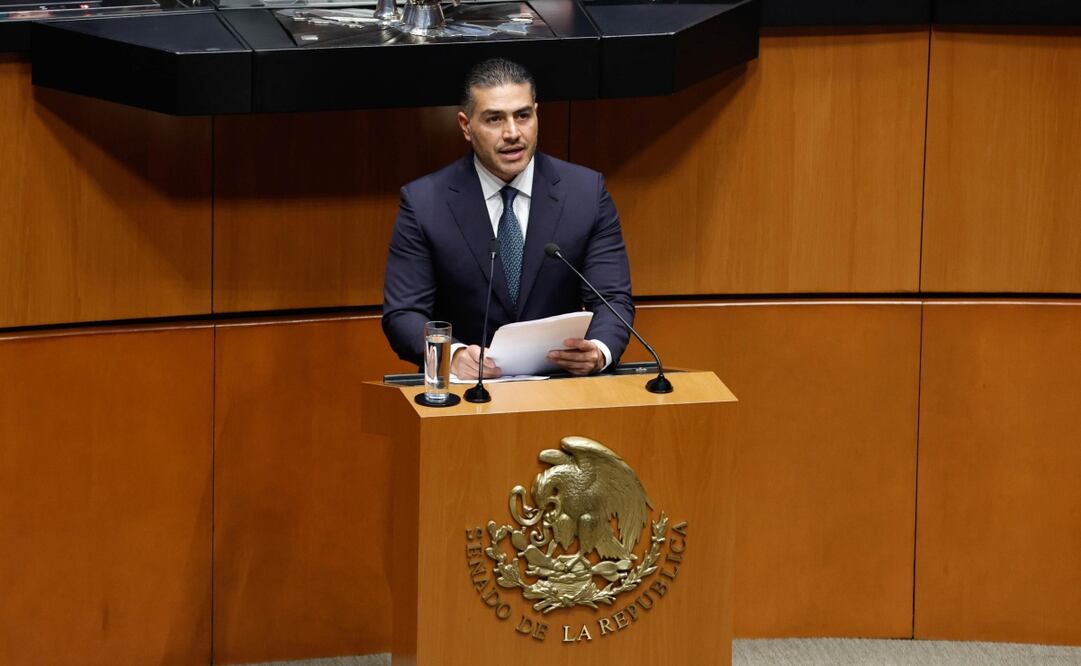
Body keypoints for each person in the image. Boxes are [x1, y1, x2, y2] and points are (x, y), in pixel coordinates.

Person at [382, 58, 634, 379]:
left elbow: (612, 299)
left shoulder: (585, 192)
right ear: (466, 126)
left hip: (561, 388)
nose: (512, 133)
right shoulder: (425, 203)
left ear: (536, 115)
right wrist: (453, 355)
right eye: (494, 119)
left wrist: (599, 350)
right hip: (468, 395)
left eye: (523, 116)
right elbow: (403, 313)